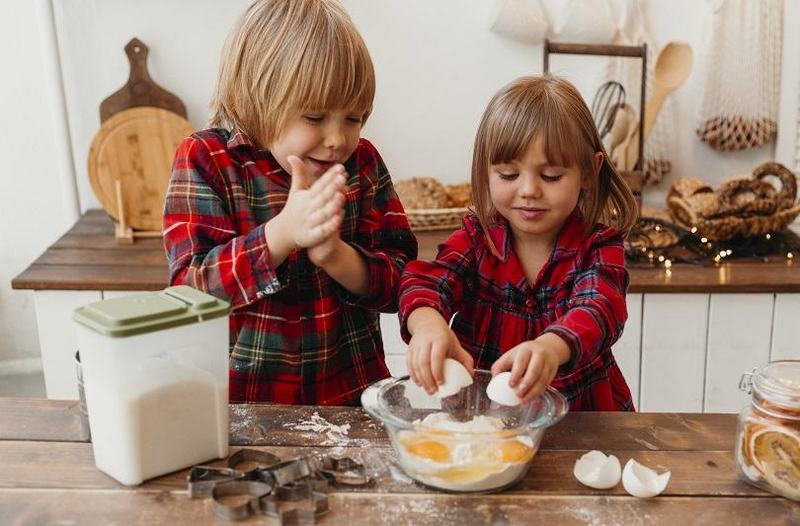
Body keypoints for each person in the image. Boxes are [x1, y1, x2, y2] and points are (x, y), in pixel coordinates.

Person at [163, 0, 417, 405]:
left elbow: (402, 285)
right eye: (315, 118)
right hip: (245, 409)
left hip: (351, 399)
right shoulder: (206, 159)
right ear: (256, 98)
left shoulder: (363, 163)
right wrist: (281, 234)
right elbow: (190, 294)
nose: (337, 140)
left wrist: (336, 256)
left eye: (354, 118)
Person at [398, 75, 638, 411]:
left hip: (581, 421)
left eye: (551, 176)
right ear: (486, 171)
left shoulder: (598, 248)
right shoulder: (475, 241)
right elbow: (425, 282)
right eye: (509, 175)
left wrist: (551, 348)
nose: (528, 190)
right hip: (482, 422)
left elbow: (599, 308)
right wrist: (427, 326)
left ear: (588, 172)